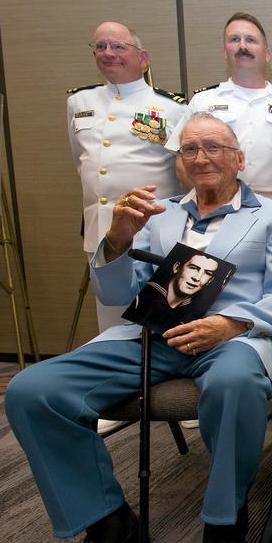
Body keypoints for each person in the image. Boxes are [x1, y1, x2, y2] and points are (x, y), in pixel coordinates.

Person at [6, 113, 272, 543]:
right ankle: (109, 525)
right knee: (32, 389)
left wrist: (230, 323)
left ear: (239, 158)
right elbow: (118, 296)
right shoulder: (159, 217)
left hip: (230, 339)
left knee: (237, 383)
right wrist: (118, 240)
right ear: (180, 162)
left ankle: (225, 529)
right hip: (151, 337)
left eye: (214, 147)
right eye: (190, 149)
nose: (202, 157)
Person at [68, 21, 188, 334]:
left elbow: (184, 171)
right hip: (103, 233)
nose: (109, 53)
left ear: (143, 57)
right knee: (111, 324)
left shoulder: (171, 108)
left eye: (119, 46)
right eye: (101, 46)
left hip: (155, 232)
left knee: (160, 322)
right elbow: (85, 166)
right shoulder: (78, 104)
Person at [167, 12, 272, 212]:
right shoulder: (203, 102)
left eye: (251, 40)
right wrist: (214, 202)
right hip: (215, 212)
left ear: (267, 54)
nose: (242, 46)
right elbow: (182, 165)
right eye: (234, 39)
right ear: (225, 52)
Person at [123, 250, 222, 333]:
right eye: (193, 268)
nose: (197, 278)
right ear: (177, 268)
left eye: (207, 273)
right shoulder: (141, 300)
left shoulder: (197, 313)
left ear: (210, 281)